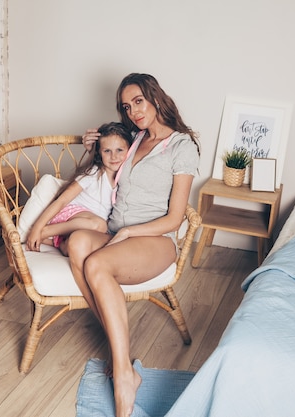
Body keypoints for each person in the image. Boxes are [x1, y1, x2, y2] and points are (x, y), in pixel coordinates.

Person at [67, 73, 200, 417]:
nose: (134, 111)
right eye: (127, 106)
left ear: (155, 98)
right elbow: (100, 172)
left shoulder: (182, 146)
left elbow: (174, 218)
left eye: (138, 101)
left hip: (155, 239)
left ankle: (125, 375)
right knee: (78, 242)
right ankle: (120, 354)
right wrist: (90, 148)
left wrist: (130, 233)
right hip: (116, 233)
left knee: (96, 265)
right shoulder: (133, 138)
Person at [25, 122, 133, 255]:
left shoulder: (125, 179)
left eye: (119, 150)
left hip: (83, 229)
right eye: (107, 151)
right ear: (99, 153)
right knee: (100, 225)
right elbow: (62, 201)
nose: (114, 156)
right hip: (71, 216)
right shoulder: (94, 173)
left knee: (81, 247)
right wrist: (38, 228)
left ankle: (59, 243)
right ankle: (46, 232)